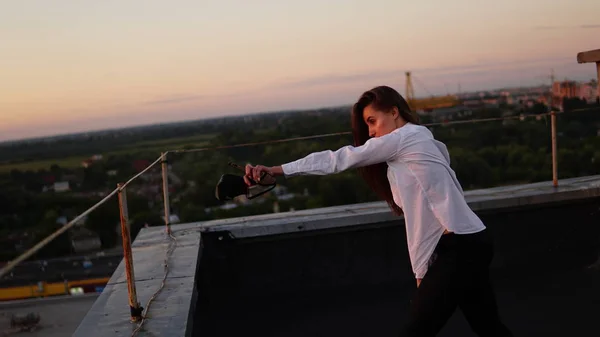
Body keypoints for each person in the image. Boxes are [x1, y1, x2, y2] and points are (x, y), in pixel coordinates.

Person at [244, 86, 513, 337]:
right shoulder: (422, 141)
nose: (370, 132)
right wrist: (424, 267)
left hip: (461, 247)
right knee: (488, 326)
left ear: (394, 112)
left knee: (417, 330)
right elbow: (431, 207)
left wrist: (278, 170)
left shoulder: (404, 138)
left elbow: (339, 159)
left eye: (372, 120)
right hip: (473, 239)